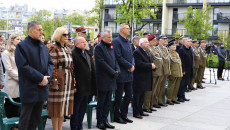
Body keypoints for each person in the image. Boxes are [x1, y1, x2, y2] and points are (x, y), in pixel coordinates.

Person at [15, 21, 54, 130]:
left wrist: (46, 77)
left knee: (36, 119)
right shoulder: (22, 46)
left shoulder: (42, 46)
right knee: (25, 120)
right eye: (39, 30)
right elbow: (23, 66)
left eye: (41, 29)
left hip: (42, 88)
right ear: (30, 31)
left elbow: (50, 63)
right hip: (29, 88)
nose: (41, 32)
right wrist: (40, 78)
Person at [48, 27, 75, 130]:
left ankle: (60, 128)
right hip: (59, 79)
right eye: (64, 35)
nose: (67, 36)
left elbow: (72, 65)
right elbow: (52, 66)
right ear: (59, 35)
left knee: (63, 107)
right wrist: (54, 81)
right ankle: (56, 129)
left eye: (67, 35)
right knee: (56, 108)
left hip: (68, 79)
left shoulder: (67, 48)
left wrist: (74, 80)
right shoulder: (53, 47)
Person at [95, 30, 120, 130]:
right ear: (103, 38)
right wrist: (112, 71)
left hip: (112, 78)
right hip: (103, 78)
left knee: (108, 101)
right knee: (101, 101)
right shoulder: (98, 48)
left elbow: (115, 60)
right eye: (109, 37)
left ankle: (105, 120)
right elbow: (101, 62)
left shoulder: (111, 47)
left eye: (111, 37)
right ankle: (99, 121)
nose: (111, 39)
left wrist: (117, 70)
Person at [70, 36, 96, 130]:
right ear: (76, 44)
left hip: (87, 87)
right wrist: (74, 85)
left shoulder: (87, 54)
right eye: (82, 42)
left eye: (85, 42)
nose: (85, 43)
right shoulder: (73, 54)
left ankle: (79, 126)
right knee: (75, 110)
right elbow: (72, 72)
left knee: (82, 109)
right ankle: (74, 127)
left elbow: (92, 70)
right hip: (79, 87)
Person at [113, 23, 134, 124]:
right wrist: (129, 66)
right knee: (119, 96)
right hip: (121, 73)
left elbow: (131, 55)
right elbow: (118, 57)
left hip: (129, 74)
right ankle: (116, 116)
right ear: (122, 30)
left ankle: (124, 114)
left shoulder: (127, 41)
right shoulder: (117, 41)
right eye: (127, 28)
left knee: (129, 95)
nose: (129, 30)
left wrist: (132, 64)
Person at [133, 38, 155, 119]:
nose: (148, 44)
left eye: (148, 42)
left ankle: (140, 110)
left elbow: (149, 62)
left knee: (142, 95)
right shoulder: (137, 52)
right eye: (146, 42)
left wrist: (153, 66)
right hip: (139, 77)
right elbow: (139, 64)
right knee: (137, 95)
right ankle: (136, 112)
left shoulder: (145, 51)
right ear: (141, 44)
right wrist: (150, 66)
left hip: (145, 77)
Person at [2, 34, 21, 118]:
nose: (19, 41)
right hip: (11, 82)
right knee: (10, 104)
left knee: (18, 104)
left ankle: (17, 124)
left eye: (20, 39)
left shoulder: (19, 52)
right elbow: (9, 69)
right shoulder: (6, 53)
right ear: (12, 40)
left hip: (20, 82)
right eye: (17, 39)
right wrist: (20, 78)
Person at [143, 34, 163, 112]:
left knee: (155, 90)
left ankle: (151, 105)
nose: (156, 41)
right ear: (150, 41)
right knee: (149, 90)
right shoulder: (149, 49)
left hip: (158, 71)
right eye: (154, 40)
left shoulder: (155, 49)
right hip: (153, 72)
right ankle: (146, 106)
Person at [166, 41, 183, 105]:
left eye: (175, 46)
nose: (174, 47)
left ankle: (174, 98)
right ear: (169, 47)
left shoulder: (176, 53)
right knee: (171, 87)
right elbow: (169, 64)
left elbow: (179, 63)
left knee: (176, 87)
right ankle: (169, 99)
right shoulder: (168, 54)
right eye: (173, 46)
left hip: (178, 72)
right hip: (173, 73)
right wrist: (170, 73)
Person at [177, 38, 193, 102]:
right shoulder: (182, 50)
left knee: (185, 84)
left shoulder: (189, 49)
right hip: (184, 70)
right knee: (182, 84)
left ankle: (183, 95)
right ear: (184, 43)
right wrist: (183, 70)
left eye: (190, 41)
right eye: (188, 41)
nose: (190, 42)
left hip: (189, 69)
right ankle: (179, 96)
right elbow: (181, 61)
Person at [157, 35, 170, 107]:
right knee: (158, 87)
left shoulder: (165, 48)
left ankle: (161, 101)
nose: (165, 40)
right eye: (163, 39)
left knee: (162, 87)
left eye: (166, 39)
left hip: (165, 70)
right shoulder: (158, 48)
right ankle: (156, 102)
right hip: (160, 70)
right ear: (159, 40)